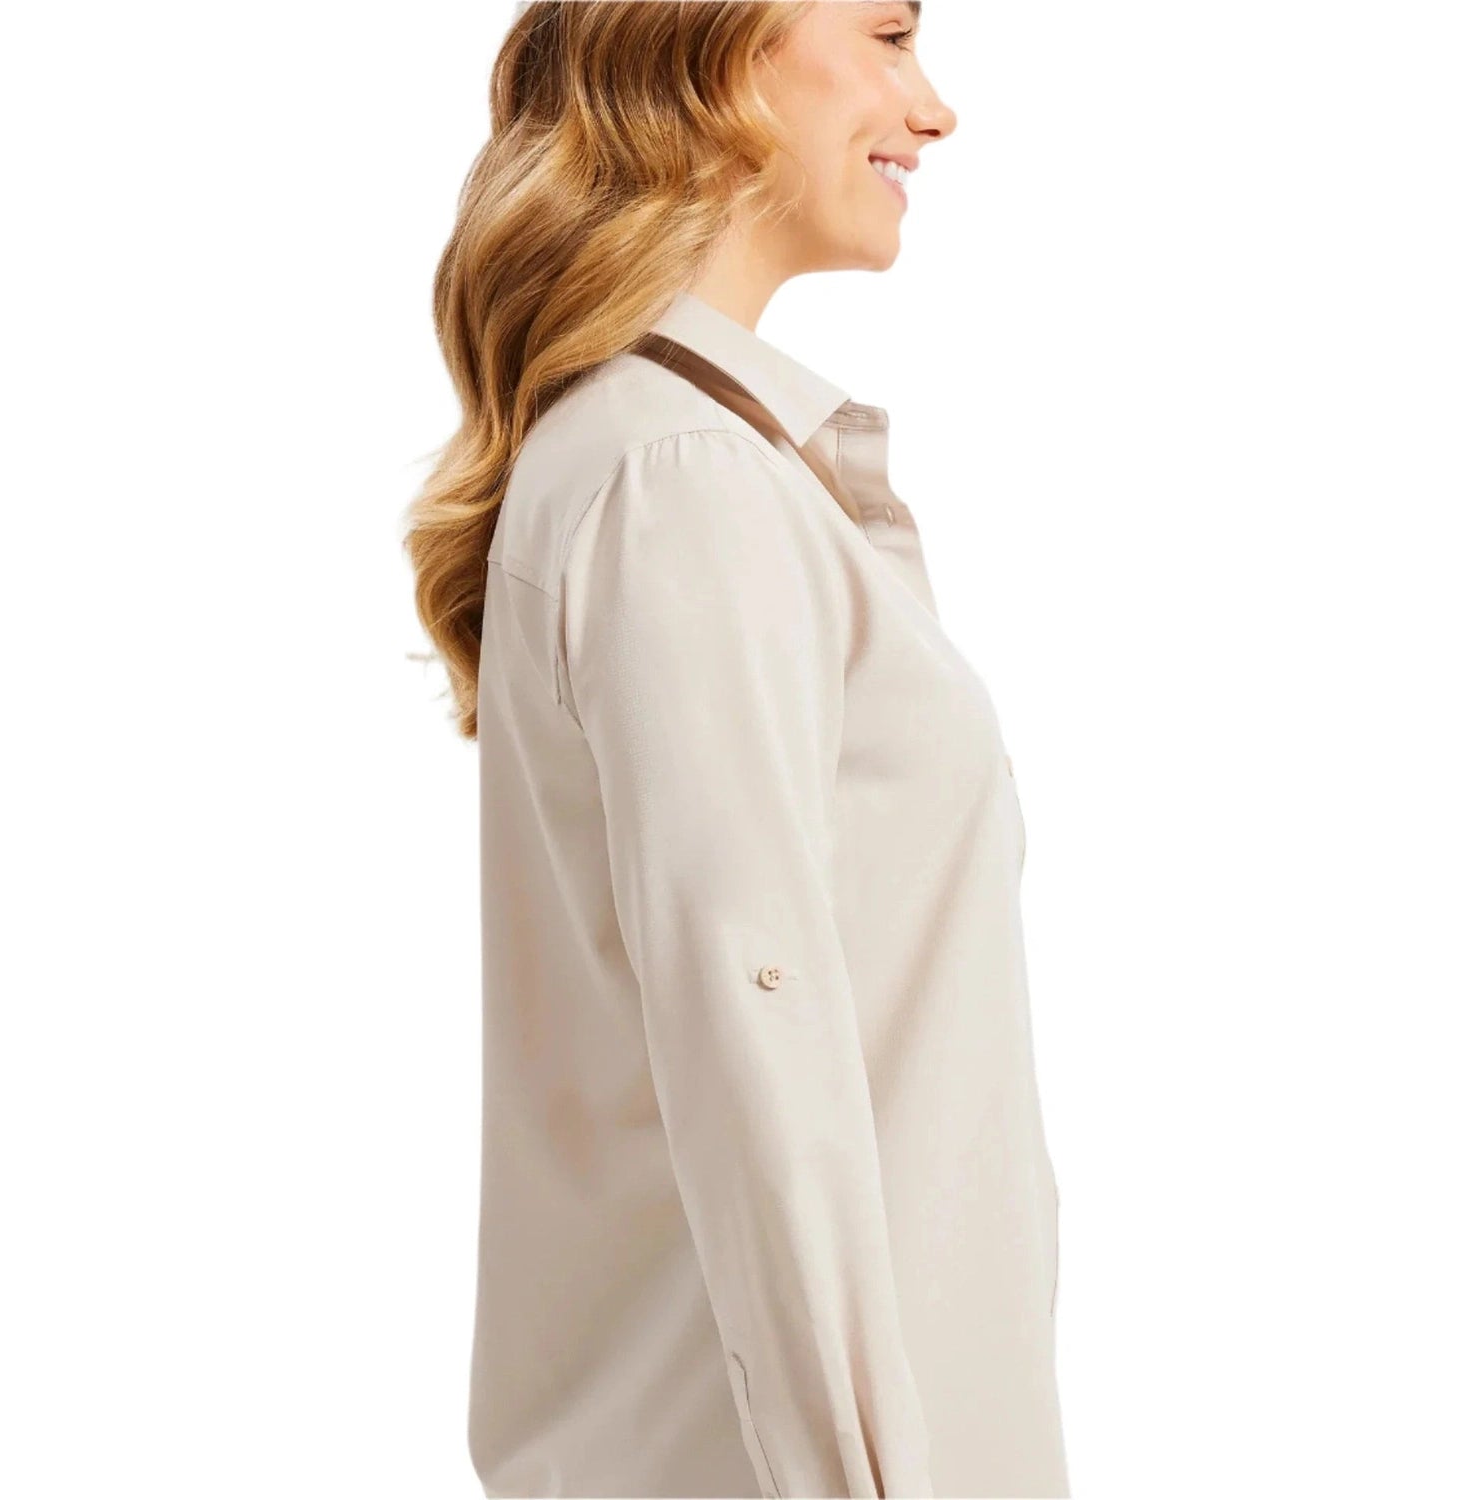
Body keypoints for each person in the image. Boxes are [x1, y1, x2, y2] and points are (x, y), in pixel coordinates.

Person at [403, 3, 1069, 1495]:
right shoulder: (680, 476)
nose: (935, 107)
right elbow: (759, 1047)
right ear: (709, 53)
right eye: (888, 33)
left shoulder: (685, 462)